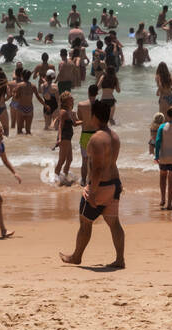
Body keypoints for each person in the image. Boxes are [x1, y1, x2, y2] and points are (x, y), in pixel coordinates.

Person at [60, 98, 125, 268]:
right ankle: (120, 259)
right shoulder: (115, 136)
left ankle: (76, 256)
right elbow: (111, 163)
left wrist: (92, 192)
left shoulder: (96, 139)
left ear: (94, 116)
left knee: (85, 222)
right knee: (114, 222)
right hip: (114, 184)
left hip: (100, 186)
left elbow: (96, 169)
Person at [154, 106, 172, 209]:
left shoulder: (162, 127)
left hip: (164, 157)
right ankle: (169, 204)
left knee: (162, 178)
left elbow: (157, 142)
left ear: (167, 115)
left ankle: (162, 199)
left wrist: (156, 156)